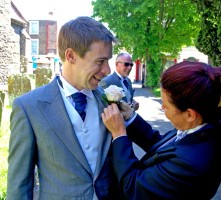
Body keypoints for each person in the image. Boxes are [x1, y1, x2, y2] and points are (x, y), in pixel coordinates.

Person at [7, 16, 124, 200]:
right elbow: (19, 185)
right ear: (71, 56)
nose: (108, 70)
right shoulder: (28, 107)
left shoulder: (107, 101)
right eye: (100, 61)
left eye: (108, 61)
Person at [101, 61, 221, 200]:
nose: (162, 108)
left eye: (166, 105)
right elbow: (162, 147)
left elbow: (133, 187)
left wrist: (119, 134)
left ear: (189, 114)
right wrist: (130, 117)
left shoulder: (192, 163)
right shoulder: (199, 129)